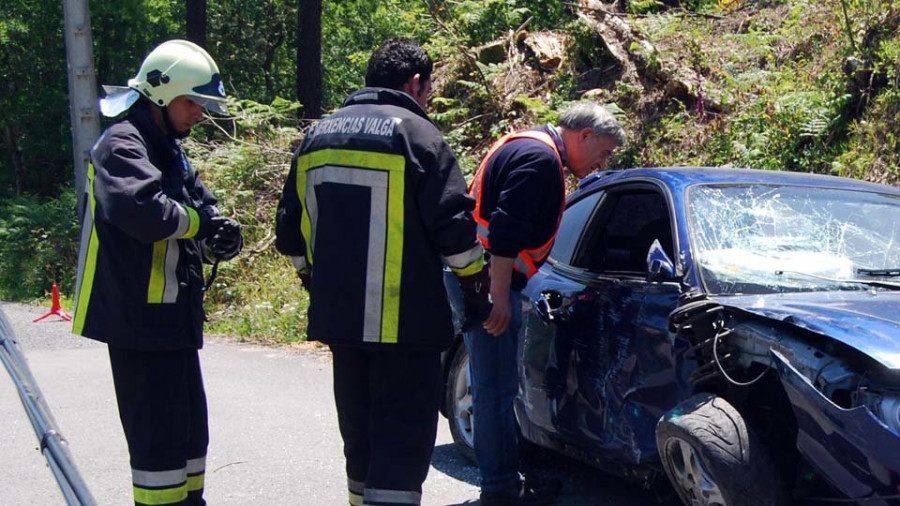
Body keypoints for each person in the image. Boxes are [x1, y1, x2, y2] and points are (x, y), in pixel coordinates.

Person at [275, 38, 490, 506]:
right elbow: (455, 231)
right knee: (400, 440)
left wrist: (314, 279)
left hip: (341, 322)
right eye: (429, 89)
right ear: (414, 83)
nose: (428, 98)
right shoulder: (419, 136)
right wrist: (477, 289)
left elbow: (289, 233)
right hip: (405, 324)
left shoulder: (316, 137)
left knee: (360, 437)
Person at [72, 39, 243, 506]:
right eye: (193, 102)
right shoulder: (121, 144)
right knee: (157, 451)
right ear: (163, 96)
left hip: (171, 321)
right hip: (136, 322)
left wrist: (218, 237)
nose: (201, 113)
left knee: (190, 439)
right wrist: (201, 224)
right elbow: (145, 213)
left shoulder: (168, 149)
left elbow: (200, 210)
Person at [448, 101, 626, 506]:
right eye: (604, 150)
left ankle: (508, 479)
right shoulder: (540, 159)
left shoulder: (527, 145)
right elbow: (506, 234)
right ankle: (500, 492)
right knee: (494, 390)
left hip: (475, 274)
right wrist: (497, 298)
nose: (603, 162)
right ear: (584, 135)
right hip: (489, 280)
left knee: (496, 385)